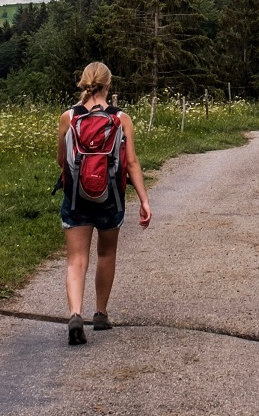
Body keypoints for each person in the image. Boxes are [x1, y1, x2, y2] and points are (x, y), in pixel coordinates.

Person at [56, 62, 151, 345]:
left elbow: (61, 161)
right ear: (109, 86)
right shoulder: (121, 119)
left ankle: (75, 313)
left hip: (76, 197)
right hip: (110, 197)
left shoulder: (68, 117)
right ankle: (100, 313)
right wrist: (144, 200)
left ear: (83, 83)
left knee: (76, 260)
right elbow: (131, 162)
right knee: (106, 254)